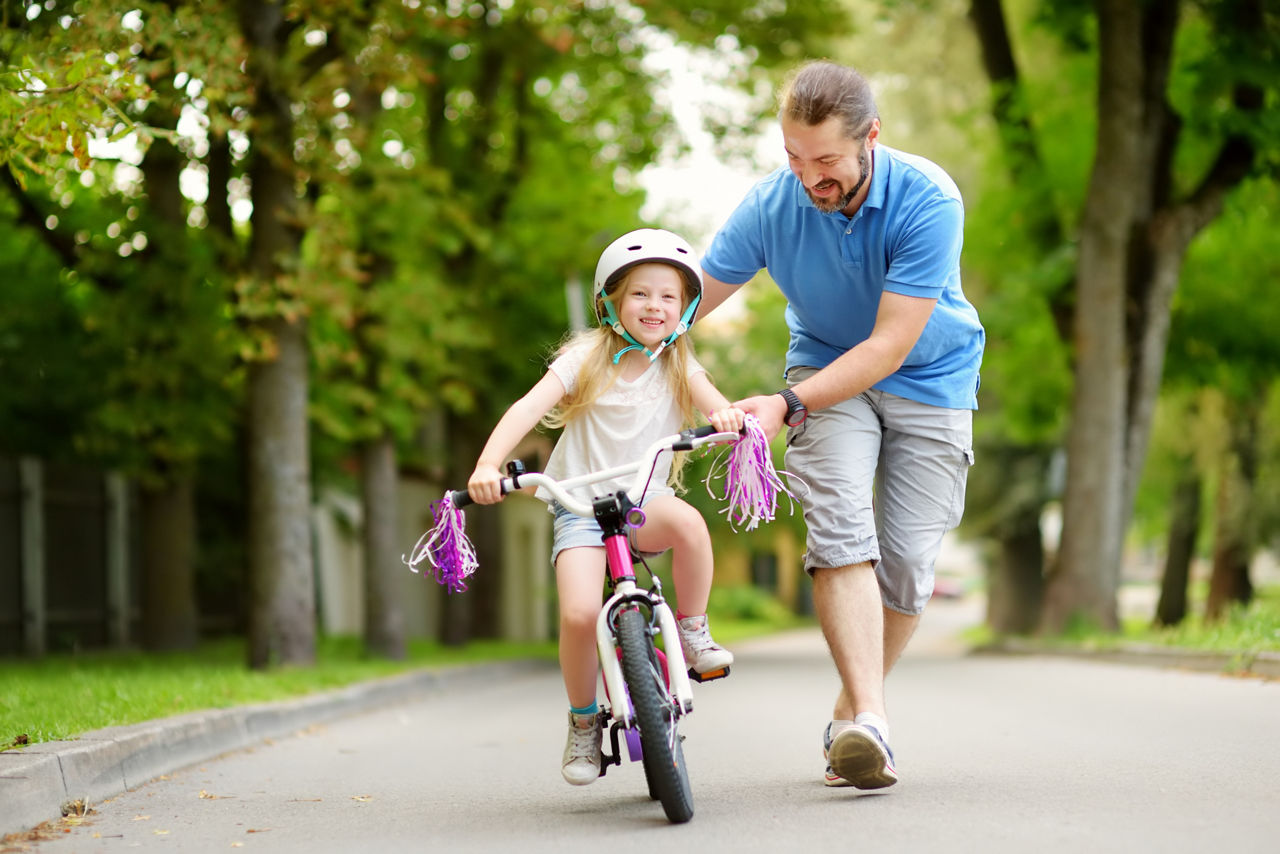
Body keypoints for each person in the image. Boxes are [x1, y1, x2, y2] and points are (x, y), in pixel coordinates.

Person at [697, 60, 984, 790]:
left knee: (910, 564)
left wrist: (784, 407)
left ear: (871, 139)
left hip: (930, 376)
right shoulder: (773, 204)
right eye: (794, 157)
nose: (808, 178)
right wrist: (619, 331)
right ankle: (872, 726)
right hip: (825, 376)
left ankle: (852, 715)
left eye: (825, 160)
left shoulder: (928, 198)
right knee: (840, 531)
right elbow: (688, 298)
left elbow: (891, 345)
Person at [467, 228, 746, 787]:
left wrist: (727, 418)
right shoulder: (585, 357)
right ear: (612, 301)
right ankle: (583, 721)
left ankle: (691, 630)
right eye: (641, 293)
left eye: (669, 296)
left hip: (646, 501)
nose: (655, 306)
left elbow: (716, 404)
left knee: (689, 525)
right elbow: (527, 408)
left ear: (686, 307)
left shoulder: (678, 362)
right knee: (575, 615)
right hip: (580, 508)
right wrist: (487, 465)